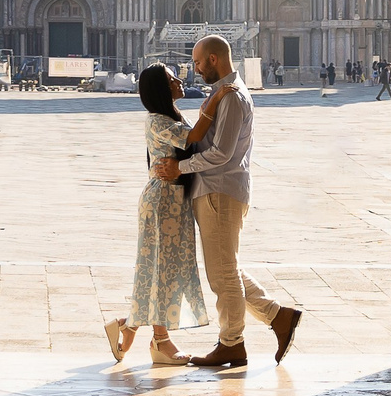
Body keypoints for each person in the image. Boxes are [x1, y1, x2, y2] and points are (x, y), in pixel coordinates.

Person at [156, 33, 302, 367]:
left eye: (197, 62)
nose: (195, 69)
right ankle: (279, 317)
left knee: (222, 275)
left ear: (214, 59)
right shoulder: (223, 93)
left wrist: (180, 168)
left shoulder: (232, 97)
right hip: (216, 190)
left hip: (219, 189)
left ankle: (232, 343)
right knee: (227, 269)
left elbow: (221, 153)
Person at [106, 65, 214, 367]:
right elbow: (194, 137)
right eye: (171, 79)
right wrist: (215, 101)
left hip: (173, 199)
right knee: (162, 268)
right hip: (163, 200)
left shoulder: (171, 117)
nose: (179, 81)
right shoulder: (158, 120)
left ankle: (129, 326)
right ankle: (160, 339)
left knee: (162, 268)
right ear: (160, 89)